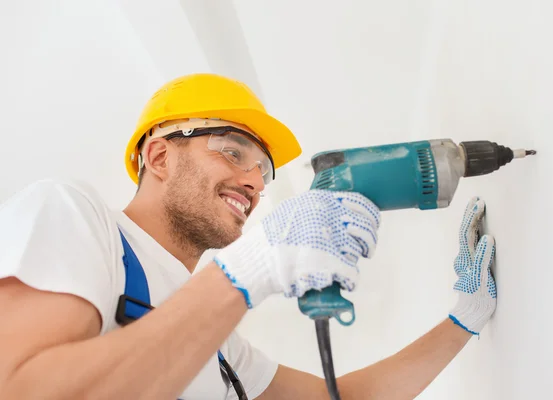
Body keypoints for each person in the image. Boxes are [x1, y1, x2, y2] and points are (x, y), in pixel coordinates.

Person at [0, 73, 497, 399]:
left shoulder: (219, 348)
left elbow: (344, 396)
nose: (256, 183)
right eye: (233, 151)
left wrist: (464, 317)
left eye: (263, 170)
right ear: (158, 157)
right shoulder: (73, 215)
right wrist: (246, 272)